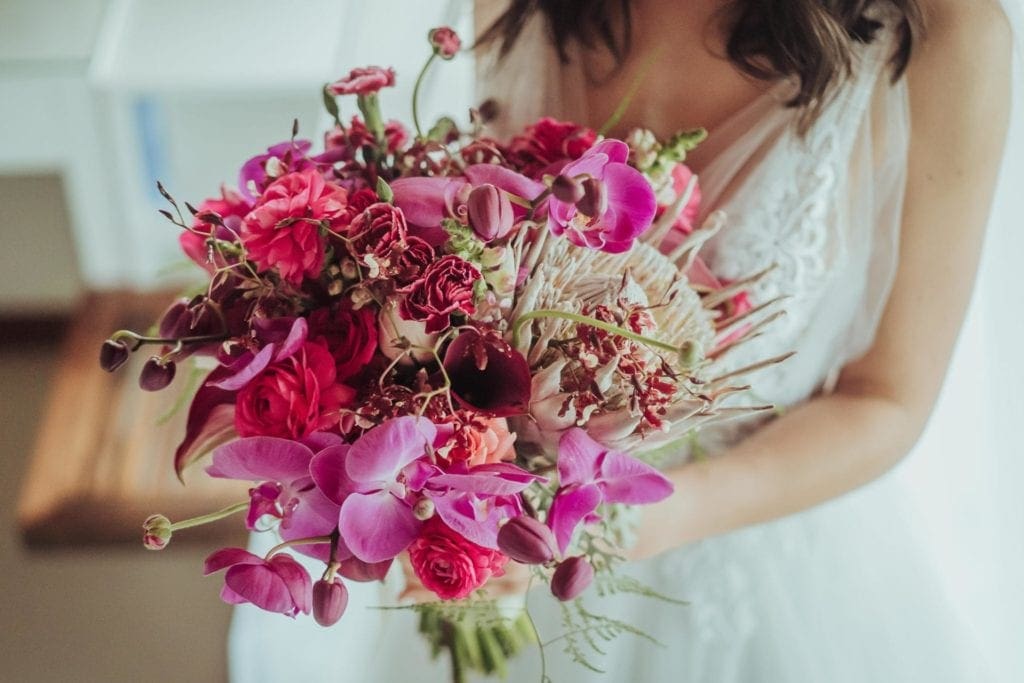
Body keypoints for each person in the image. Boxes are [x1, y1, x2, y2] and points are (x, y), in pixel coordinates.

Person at [229, 1, 1015, 680]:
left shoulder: (946, 37)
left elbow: (889, 400)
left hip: (755, 557)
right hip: (500, 532)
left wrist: (626, 522)